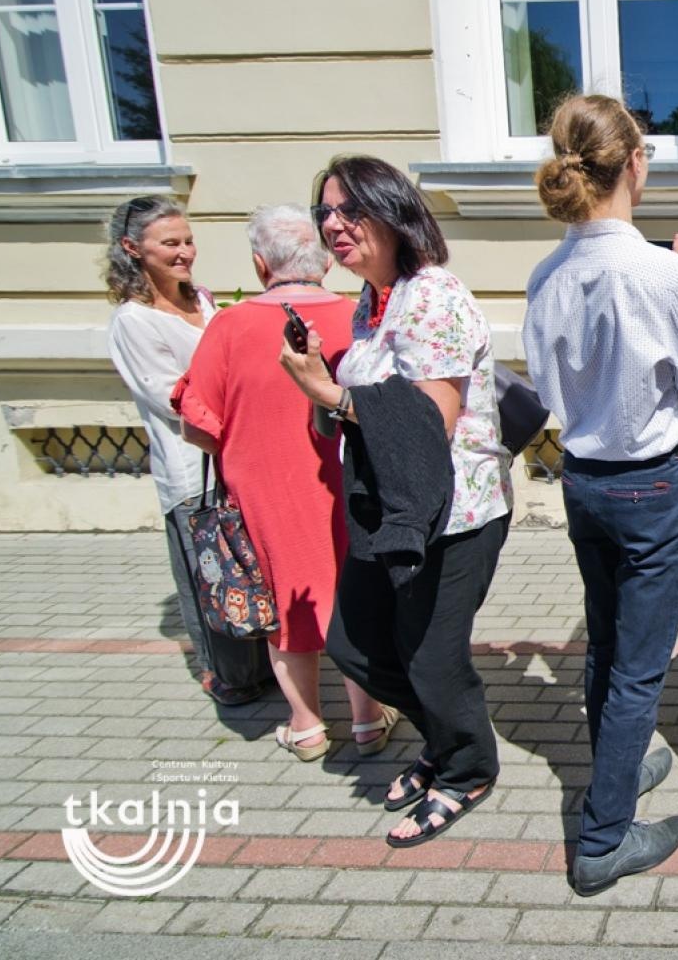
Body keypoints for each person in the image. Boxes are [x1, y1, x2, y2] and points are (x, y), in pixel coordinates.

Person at [523, 95, 678, 895]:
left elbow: (546, 386)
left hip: (584, 478)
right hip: (649, 481)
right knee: (641, 663)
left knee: (608, 641)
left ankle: (625, 758)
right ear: (634, 164)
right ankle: (604, 834)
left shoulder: (549, 271)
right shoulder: (665, 272)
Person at [279, 155, 513, 848]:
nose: (333, 224)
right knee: (354, 641)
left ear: (393, 213)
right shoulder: (372, 297)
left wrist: (328, 394)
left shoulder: (433, 293)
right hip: (390, 509)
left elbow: (426, 423)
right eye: (325, 212)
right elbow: (376, 400)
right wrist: (328, 374)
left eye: (351, 210)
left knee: (432, 658)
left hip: (455, 515)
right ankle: (447, 738)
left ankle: (467, 765)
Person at [173, 205, 396, 762]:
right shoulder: (359, 317)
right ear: (324, 259)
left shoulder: (229, 325)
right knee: (353, 595)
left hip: (263, 488)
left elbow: (198, 426)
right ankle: (368, 719)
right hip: (347, 482)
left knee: (285, 602)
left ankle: (305, 725)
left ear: (258, 262)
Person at [103, 195, 271, 706]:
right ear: (133, 248)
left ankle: (263, 665)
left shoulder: (201, 298)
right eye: (170, 243)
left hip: (236, 456)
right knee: (209, 573)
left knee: (246, 565)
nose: (185, 252)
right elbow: (171, 396)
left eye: (188, 240)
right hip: (189, 467)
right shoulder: (134, 321)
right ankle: (228, 676)